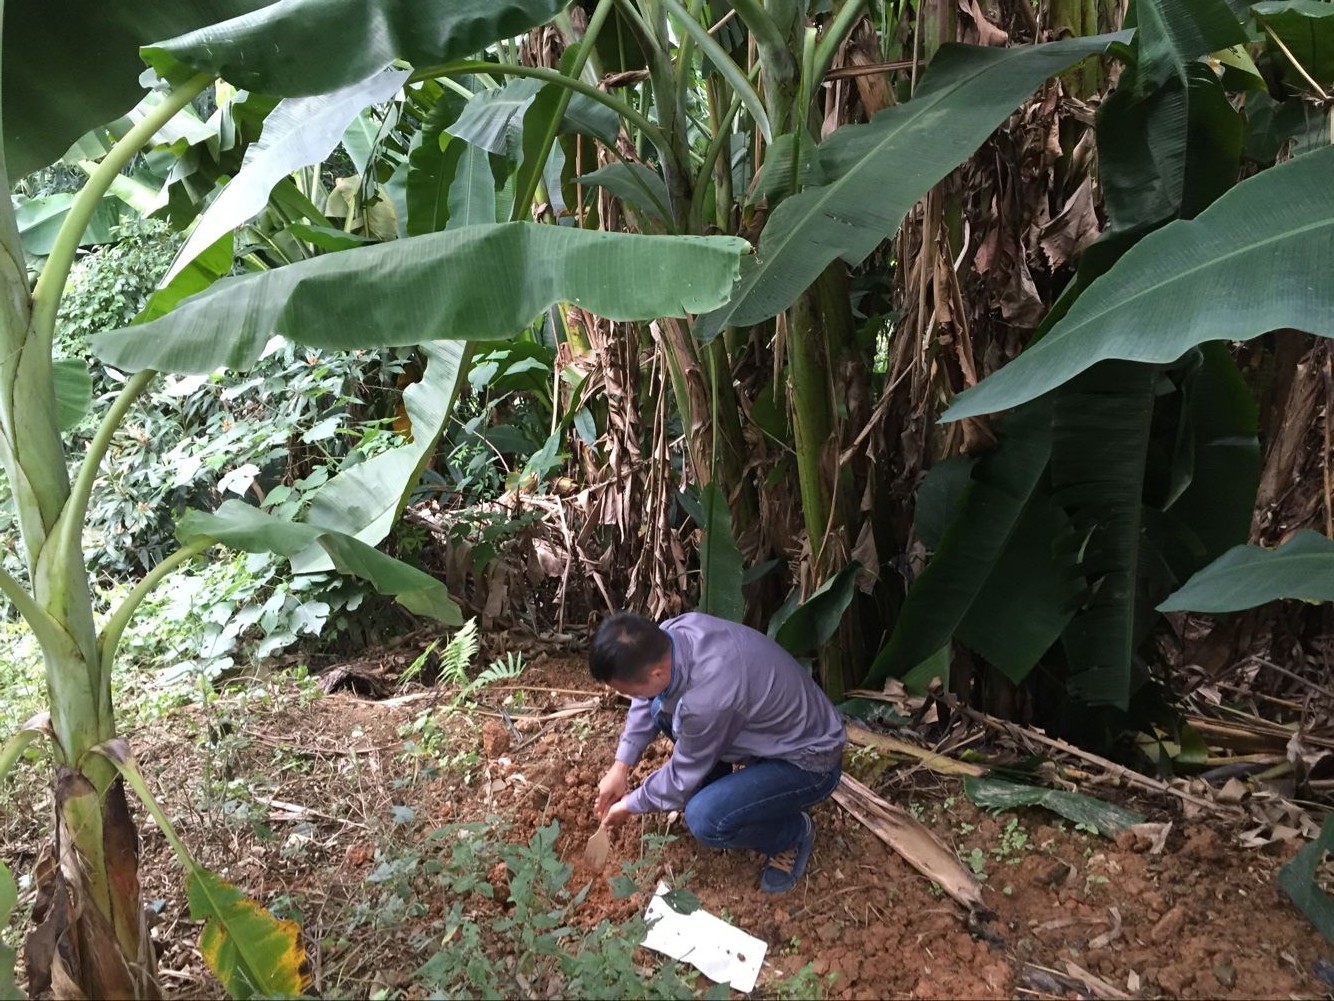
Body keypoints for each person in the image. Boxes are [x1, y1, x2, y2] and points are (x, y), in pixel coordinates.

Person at [589, 610, 845, 894]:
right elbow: (648, 696)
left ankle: (792, 834)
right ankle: (722, 790)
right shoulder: (669, 635)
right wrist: (620, 766)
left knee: (705, 818)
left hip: (809, 763)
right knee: (657, 708)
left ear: (656, 673)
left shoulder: (707, 701)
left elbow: (678, 778)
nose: (634, 698)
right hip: (765, 732)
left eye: (632, 691)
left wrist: (629, 805)